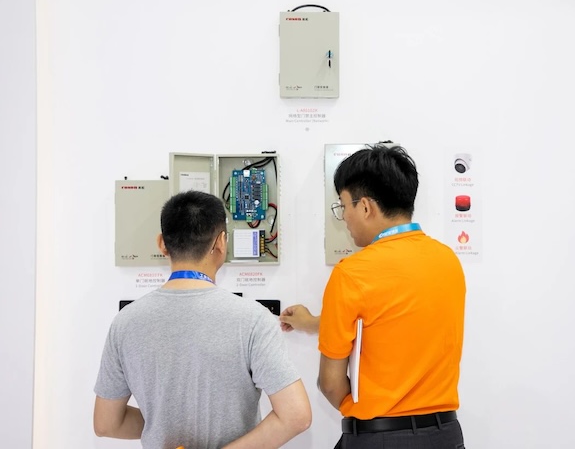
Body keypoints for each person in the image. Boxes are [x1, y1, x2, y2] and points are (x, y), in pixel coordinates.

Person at [280, 145, 466, 449]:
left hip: (380, 437)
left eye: (343, 206)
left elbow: (330, 384)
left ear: (365, 207)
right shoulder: (448, 261)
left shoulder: (352, 273)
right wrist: (311, 322)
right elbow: (389, 319)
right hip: (445, 435)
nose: (344, 217)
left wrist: (366, 418)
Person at [94, 190, 311, 449]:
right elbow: (296, 416)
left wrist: (159, 423)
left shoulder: (125, 323)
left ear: (162, 244)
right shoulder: (253, 320)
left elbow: (107, 423)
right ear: (221, 243)